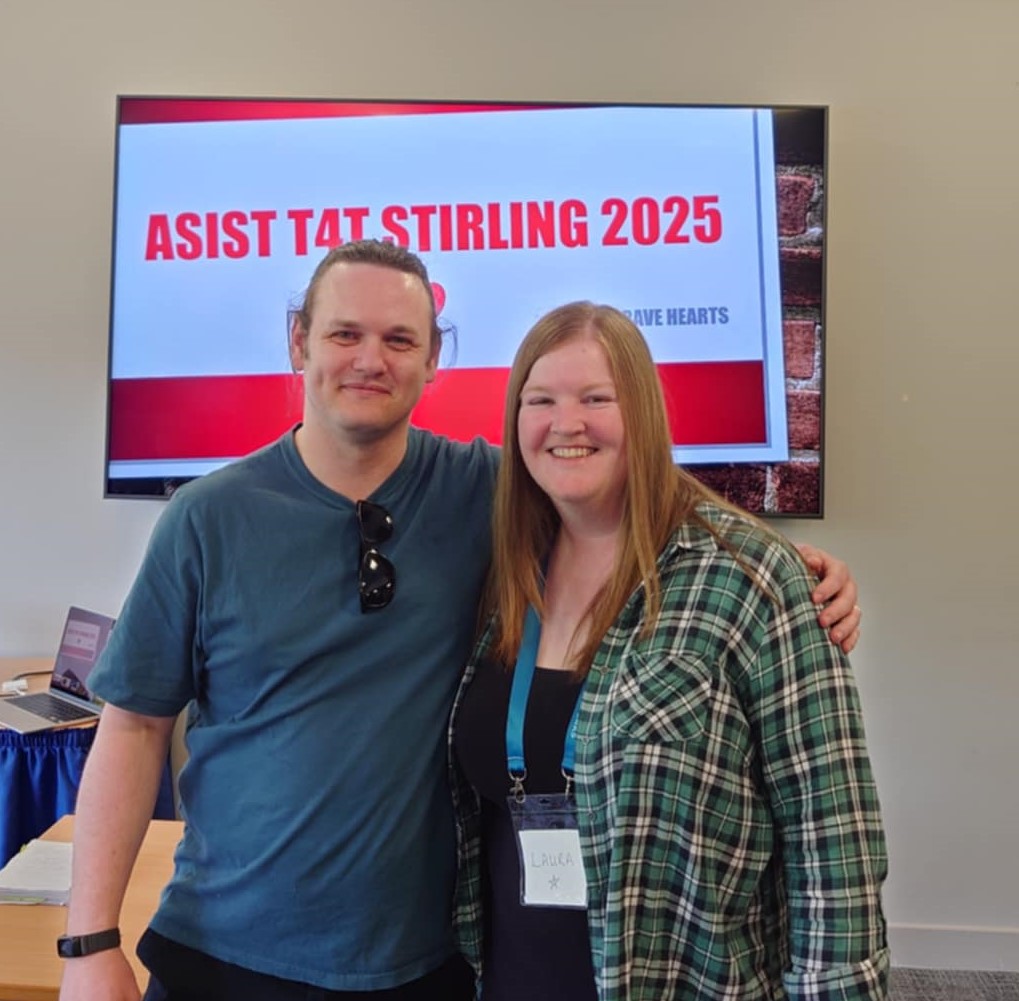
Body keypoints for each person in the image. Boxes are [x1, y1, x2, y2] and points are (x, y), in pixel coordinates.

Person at [59, 242, 862, 1001]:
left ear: (433, 358)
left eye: (399, 339)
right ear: (298, 342)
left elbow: (621, 484)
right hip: (227, 953)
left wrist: (784, 567)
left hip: (431, 961)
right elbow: (133, 727)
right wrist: (89, 941)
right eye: (344, 333)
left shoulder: (488, 493)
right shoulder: (207, 519)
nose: (370, 359)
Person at [451, 302, 888, 1000]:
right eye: (542, 400)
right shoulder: (499, 569)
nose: (567, 423)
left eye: (597, 398)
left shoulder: (748, 576)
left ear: (643, 413)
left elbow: (831, 835)